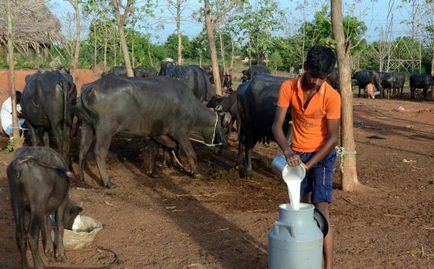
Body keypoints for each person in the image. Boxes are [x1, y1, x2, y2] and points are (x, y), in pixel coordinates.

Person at [272, 45, 341, 269]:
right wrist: (288, 151)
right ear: (304, 68)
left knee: (320, 208)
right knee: (297, 208)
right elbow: (276, 126)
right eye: (313, 76)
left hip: (322, 155)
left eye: (322, 78)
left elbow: (333, 139)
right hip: (297, 153)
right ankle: (301, 260)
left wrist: (308, 165)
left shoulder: (332, 96)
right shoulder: (288, 87)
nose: (317, 82)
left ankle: (327, 266)